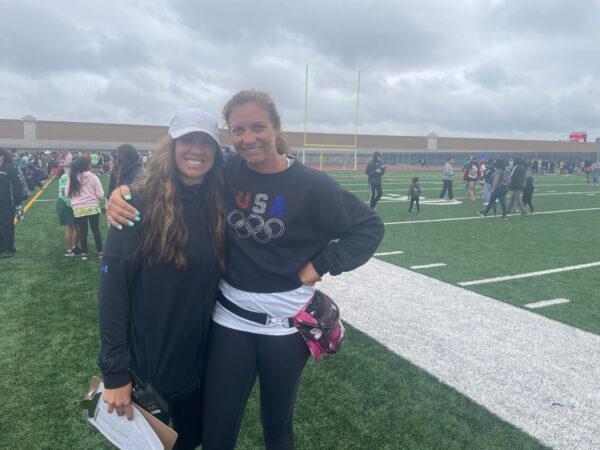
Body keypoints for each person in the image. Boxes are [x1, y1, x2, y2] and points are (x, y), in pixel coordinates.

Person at [106, 90, 385, 450]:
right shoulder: (228, 168)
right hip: (230, 323)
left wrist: (320, 265)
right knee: (218, 430)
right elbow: (176, 165)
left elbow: (369, 228)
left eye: (258, 127)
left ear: (276, 128)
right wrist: (124, 194)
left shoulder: (312, 185)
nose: (248, 138)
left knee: (277, 426)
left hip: (285, 329)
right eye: (238, 130)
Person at [99, 109, 225, 449]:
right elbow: (113, 291)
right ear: (170, 146)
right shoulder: (136, 203)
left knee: (187, 442)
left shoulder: (219, 201)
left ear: (216, 152)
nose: (196, 150)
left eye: (205, 143)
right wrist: (114, 372)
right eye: (187, 140)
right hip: (149, 368)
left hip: (198, 367)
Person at [66, 157, 104, 260]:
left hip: (79, 209)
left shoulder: (72, 178)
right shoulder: (94, 177)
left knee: (83, 231)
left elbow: (67, 194)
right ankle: (100, 252)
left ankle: (84, 253)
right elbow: (100, 194)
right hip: (93, 207)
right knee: (95, 230)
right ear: (88, 166)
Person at [0, 147, 28, 258]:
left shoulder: (10, 169)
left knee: (7, 226)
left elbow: (18, 187)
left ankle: (9, 249)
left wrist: (17, 203)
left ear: (2, 156)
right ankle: (2, 247)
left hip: (7, 203)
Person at [56, 169, 81, 256]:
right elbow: (64, 193)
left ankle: (74, 246)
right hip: (66, 204)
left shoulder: (72, 176)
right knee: (69, 227)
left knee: (79, 227)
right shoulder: (67, 176)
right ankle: (70, 250)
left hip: (74, 204)